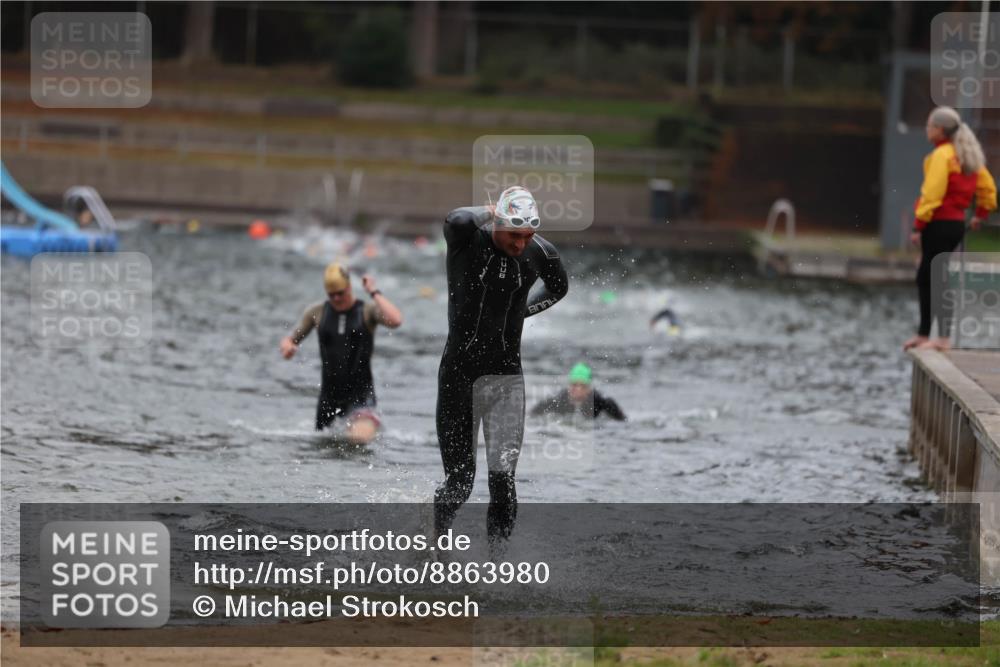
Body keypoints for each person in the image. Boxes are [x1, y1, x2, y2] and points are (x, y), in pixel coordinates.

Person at [435, 185, 568, 544]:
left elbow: (558, 288)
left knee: (503, 481)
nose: (521, 244)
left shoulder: (541, 253)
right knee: (460, 483)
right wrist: (490, 209)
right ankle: (437, 551)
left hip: (506, 379)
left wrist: (523, 311)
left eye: (528, 236)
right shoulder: (466, 239)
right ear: (498, 224)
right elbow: (456, 217)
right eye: (514, 235)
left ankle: (497, 569)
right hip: (458, 376)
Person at [903, 106, 996, 352]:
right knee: (932, 276)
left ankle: (939, 338)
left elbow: (932, 194)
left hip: (939, 223)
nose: (927, 130)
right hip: (955, 225)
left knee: (932, 278)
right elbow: (988, 191)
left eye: (929, 126)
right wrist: (980, 215)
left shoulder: (942, 156)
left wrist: (918, 225)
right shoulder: (968, 155)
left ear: (940, 130)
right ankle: (927, 335)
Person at [280, 263, 402, 443]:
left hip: (361, 398)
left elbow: (396, 320)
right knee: (323, 448)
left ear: (349, 287)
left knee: (358, 440)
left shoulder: (367, 312)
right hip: (328, 400)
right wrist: (287, 348)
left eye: (340, 293)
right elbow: (289, 339)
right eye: (331, 295)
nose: (336, 298)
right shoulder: (317, 312)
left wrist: (374, 292)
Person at [530, 363, 626, 421]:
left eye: (582, 386)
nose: (578, 389)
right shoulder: (558, 401)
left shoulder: (601, 403)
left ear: (589, 388)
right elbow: (531, 416)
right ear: (569, 386)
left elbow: (623, 422)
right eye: (574, 385)